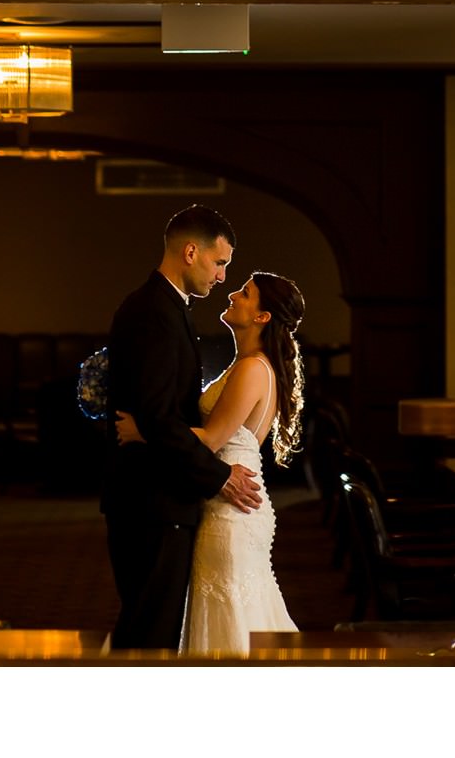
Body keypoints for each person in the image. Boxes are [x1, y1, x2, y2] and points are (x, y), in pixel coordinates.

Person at [116, 269, 305, 654]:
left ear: (262, 316)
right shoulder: (244, 363)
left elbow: (212, 439)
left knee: (229, 610)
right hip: (221, 499)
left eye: (246, 293)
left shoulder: (254, 368)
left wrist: (143, 431)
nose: (232, 293)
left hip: (231, 509)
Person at [101, 205, 263, 650]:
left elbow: (158, 417)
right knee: (148, 637)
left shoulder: (166, 307)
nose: (222, 277)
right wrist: (220, 477)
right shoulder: (153, 310)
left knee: (152, 630)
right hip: (151, 502)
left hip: (159, 498)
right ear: (191, 251)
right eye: (219, 262)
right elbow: (159, 415)